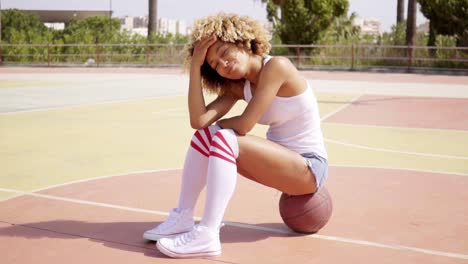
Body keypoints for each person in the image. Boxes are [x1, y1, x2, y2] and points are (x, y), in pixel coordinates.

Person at [143, 13, 328, 258]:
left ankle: (208, 233)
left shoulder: (277, 67)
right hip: (283, 166)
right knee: (207, 134)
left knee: (222, 136)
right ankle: (183, 216)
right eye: (215, 65)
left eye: (224, 52)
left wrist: (219, 127)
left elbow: (244, 125)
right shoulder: (240, 87)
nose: (223, 64)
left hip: (309, 168)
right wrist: (196, 68)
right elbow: (198, 121)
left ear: (241, 41)